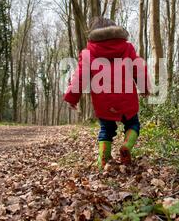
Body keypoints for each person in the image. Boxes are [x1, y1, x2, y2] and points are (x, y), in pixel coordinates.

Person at [63, 17, 151, 169]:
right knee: (133, 124)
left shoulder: (88, 52)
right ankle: (126, 147)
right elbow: (138, 68)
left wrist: (72, 97)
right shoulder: (127, 48)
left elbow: (80, 76)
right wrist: (144, 88)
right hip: (126, 99)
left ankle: (103, 160)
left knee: (106, 130)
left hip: (103, 101)